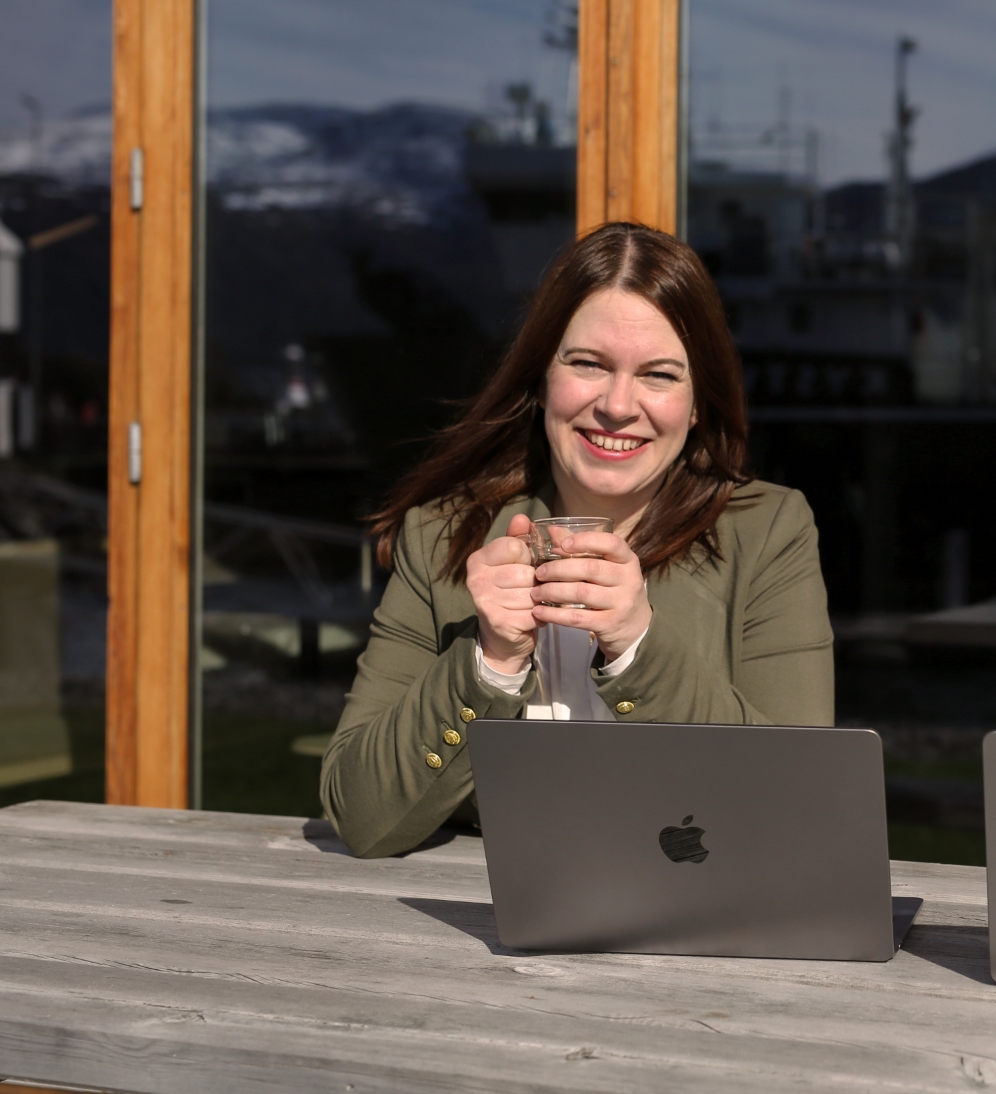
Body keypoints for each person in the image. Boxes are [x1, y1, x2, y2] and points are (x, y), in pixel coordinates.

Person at [322, 223, 833, 859]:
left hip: (692, 930)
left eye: (659, 375)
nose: (618, 405)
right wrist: (487, 661)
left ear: (699, 403)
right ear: (541, 379)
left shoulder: (767, 530)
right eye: (588, 364)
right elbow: (361, 818)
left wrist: (637, 647)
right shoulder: (443, 535)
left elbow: (802, 801)